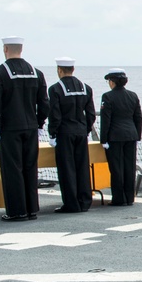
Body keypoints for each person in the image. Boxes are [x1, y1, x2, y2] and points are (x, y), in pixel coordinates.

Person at [0, 36, 49, 222]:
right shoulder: (36, 72)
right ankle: (31, 209)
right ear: (21, 49)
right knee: (30, 167)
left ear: (5, 49)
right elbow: (44, 103)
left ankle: (16, 211)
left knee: (12, 169)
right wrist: (39, 123)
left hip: (10, 129)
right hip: (31, 128)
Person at [47, 57, 96, 213]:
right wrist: (86, 129)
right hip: (81, 132)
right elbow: (90, 113)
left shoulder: (55, 89)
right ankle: (85, 201)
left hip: (64, 132)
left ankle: (71, 203)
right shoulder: (86, 88)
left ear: (59, 70)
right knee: (82, 167)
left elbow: (55, 114)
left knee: (67, 168)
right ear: (73, 69)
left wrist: (52, 133)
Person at [99, 68, 142, 206]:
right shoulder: (133, 96)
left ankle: (118, 198)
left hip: (115, 137)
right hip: (131, 135)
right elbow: (138, 118)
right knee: (129, 167)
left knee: (116, 168)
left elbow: (106, 120)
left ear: (112, 82)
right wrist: (137, 135)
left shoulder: (107, 97)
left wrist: (103, 140)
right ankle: (130, 197)